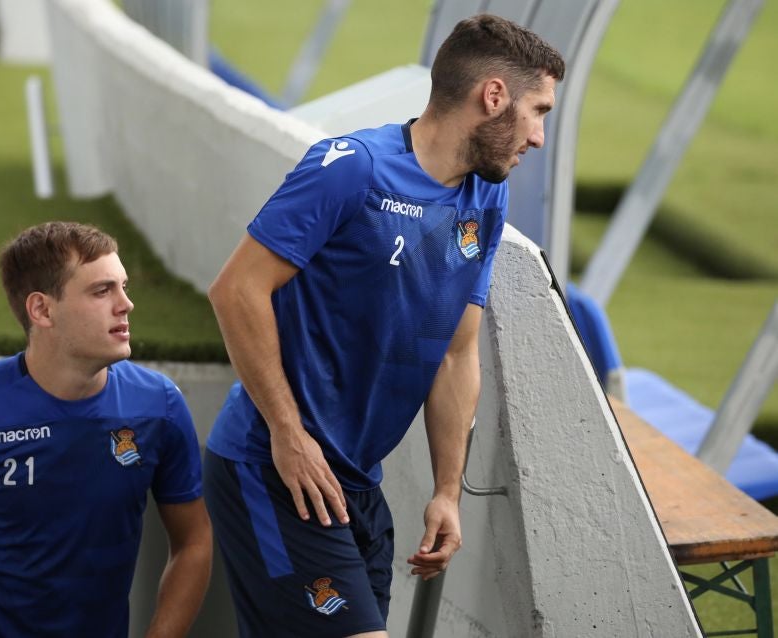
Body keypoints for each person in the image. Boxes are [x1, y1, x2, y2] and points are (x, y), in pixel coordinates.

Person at [202, 13, 565, 638]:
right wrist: (288, 433)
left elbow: (457, 353)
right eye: (538, 111)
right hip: (274, 468)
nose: (537, 136)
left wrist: (447, 491)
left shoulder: (485, 196)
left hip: (356, 486)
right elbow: (236, 290)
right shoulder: (352, 168)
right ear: (494, 96)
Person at [0, 222, 212, 637]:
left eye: (123, 287)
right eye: (101, 290)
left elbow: (194, 541)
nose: (126, 304)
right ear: (42, 309)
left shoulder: (158, 405)